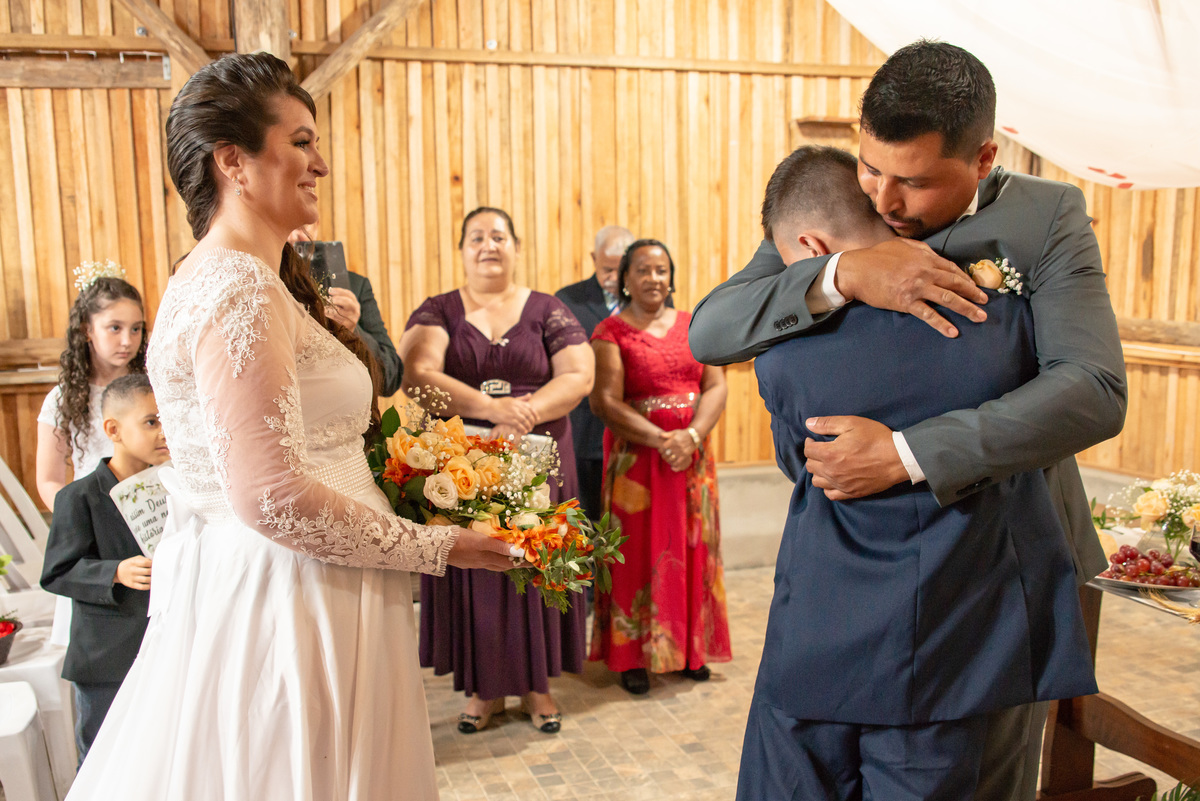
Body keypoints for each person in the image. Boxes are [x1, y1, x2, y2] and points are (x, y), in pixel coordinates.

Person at [65, 53, 517, 801]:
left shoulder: (229, 276)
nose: (321, 163)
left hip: (300, 577)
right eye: (301, 142)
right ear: (234, 162)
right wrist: (441, 546)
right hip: (292, 592)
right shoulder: (237, 287)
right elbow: (272, 494)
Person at [689, 40, 1126, 800]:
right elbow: (713, 328)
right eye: (871, 168)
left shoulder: (1045, 219)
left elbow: (1092, 386)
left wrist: (909, 452)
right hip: (846, 576)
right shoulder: (842, 209)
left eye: (914, 182)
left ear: (984, 157)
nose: (884, 204)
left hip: (998, 560)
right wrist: (840, 273)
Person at [399, 206, 594, 734]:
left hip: (540, 456)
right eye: (477, 237)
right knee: (478, 567)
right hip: (464, 461)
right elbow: (417, 375)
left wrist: (525, 411)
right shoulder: (439, 309)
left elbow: (579, 374)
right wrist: (491, 410)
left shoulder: (546, 309)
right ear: (462, 249)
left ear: (516, 245)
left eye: (499, 236)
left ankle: (537, 686)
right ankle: (484, 689)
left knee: (533, 563)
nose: (489, 245)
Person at [588, 239, 732, 695]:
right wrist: (661, 438)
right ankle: (632, 656)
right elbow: (604, 401)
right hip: (638, 466)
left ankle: (689, 651)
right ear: (624, 279)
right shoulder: (610, 332)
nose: (654, 278)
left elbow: (716, 386)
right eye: (644, 270)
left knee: (692, 549)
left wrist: (690, 437)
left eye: (662, 270)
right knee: (635, 555)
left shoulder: (694, 324)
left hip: (691, 461)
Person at [40, 373, 169, 764]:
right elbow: (57, 572)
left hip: (163, 645)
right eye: (151, 422)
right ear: (113, 429)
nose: (164, 432)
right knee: (103, 756)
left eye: (167, 419)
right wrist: (114, 572)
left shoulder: (173, 487)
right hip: (106, 656)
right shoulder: (76, 497)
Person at [36, 268, 147, 510]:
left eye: (136, 328)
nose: (128, 341)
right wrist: (76, 517)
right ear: (87, 329)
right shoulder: (62, 399)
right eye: (115, 328)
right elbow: (48, 480)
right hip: (92, 509)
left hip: (150, 507)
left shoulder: (152, 390)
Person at [555, 225, 635, 521]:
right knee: (586, 518)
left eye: (621, 269)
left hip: (635, 426)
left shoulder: (650, 298)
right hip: (586, 427)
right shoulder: (567, 300)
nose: (614, 278)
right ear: (593, 258)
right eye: (607, 270)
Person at [289, 222, 404, 396]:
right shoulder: (260, 286)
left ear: (317, 226)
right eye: (291, 226)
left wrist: (352, 329)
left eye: (306, 226)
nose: (300, 238)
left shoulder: (356, 286)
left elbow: (390, 378)